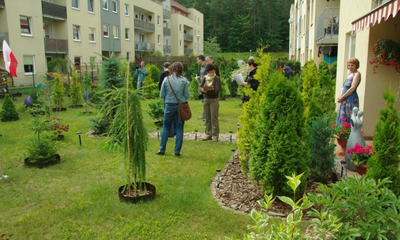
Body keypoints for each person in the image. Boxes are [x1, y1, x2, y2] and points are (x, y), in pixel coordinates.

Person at [157, 62, 190, 156]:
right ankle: (177, 151)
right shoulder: (184, 81)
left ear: (171, 69)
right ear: (181, 70)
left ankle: (162, 149)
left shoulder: (166, 79)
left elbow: (161, 95)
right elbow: (187, 95)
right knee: (179, 128)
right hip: (180, 106)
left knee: (166, 127)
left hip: (169, 106)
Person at [199, 63, 221, 142]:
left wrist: (207, 91)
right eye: (211, 72)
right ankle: (208, 133)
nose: (212, 73)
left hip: (214, 100)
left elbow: (217, 90)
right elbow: (200, 86)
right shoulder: (205, 78)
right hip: (206, 100)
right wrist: (203, 90)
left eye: (213, 72)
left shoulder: (217, 79)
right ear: (207, 72)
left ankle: (215, 135)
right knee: (207, 118)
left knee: (214, 118)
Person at [336, 57, 360, 127]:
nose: (350, 67)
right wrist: (340, 97)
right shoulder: (349, 74)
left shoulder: (357, 74)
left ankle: (349, 135)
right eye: (349, 65)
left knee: (350, 116)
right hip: (344, 99)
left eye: (352, 65)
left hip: (351, 99)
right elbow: (344, 88)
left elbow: (352, 88)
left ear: (356, 65)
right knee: (343, 116)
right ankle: (342, 133)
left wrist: (342, 97)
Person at [158, 62, 175, 137]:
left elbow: (161, 86)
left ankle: (169, 132)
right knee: (175, 116)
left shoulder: (163, 74)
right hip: (175, 96)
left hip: (167, 96)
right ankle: (174, 131)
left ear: (164, 67)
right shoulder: (174, 73)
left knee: (167, 115)